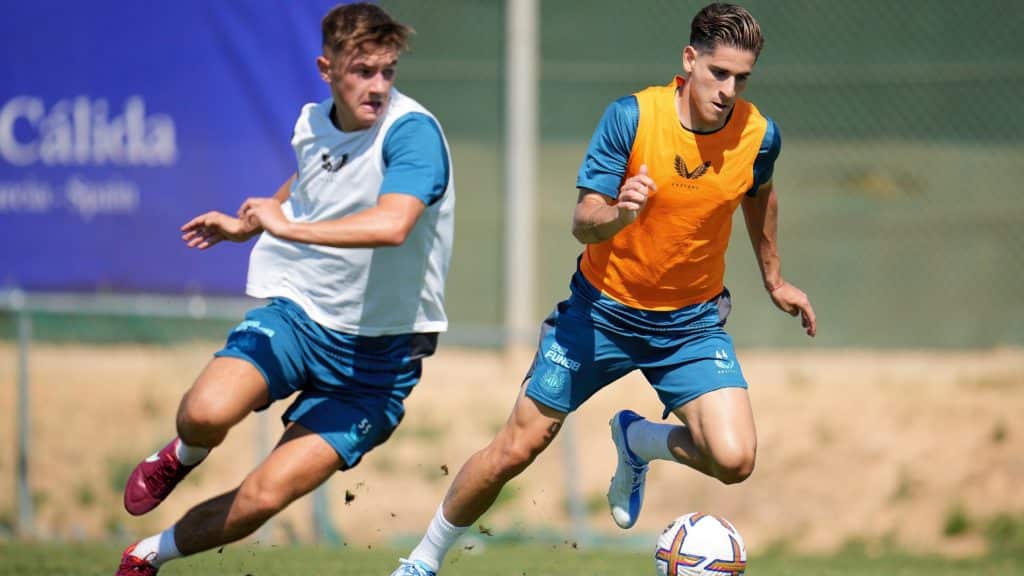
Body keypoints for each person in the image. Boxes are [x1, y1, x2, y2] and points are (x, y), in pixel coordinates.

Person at [390, 3, 816, 575]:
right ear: (689, 60)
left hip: (689, 325)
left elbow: (760, 195)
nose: (728, 90)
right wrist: (620, 214)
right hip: (601, 315)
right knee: (517, 447)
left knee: (736, 459)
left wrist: (774, 277)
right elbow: (583, 216)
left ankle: (638, 441)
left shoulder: (759, 135)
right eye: (718, 72)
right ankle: (422, 561)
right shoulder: (632, 118)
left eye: (741, 78)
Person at [115, 4, 455, 574]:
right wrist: (245, 223)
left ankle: (148, 555)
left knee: (263, 496)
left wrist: (288, 227)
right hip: (302, 318)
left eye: (388, 72)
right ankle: (183, 454)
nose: (377, 87)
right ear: (327, 69)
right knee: (203, 413)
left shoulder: (411, 135)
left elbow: (393, 225)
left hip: (378, 362)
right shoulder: (312, 122)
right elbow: (314, 174)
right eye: (362, 71)